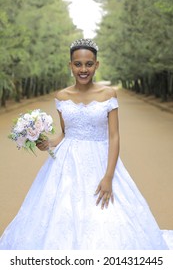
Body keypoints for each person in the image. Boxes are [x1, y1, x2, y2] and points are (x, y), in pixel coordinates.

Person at [0, 38, 172, 250]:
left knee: (106, 215)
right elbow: (65, 133)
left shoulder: (108, 95)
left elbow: (114, 137)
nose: (83, 69)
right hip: (66, 164)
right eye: (78, 64)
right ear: (70, 65)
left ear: (96, 65)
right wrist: (47, 143)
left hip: (101, 161)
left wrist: (108, 177)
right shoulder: (62, 96)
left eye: (89, 64)